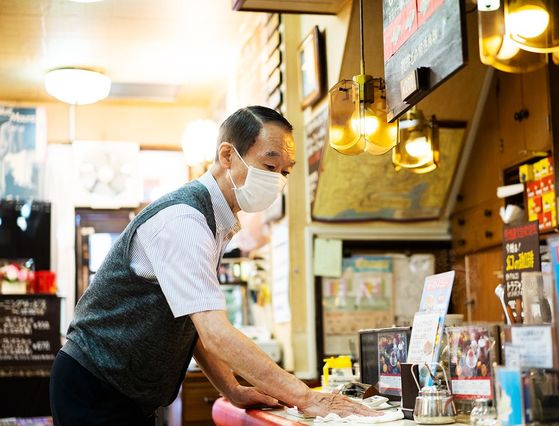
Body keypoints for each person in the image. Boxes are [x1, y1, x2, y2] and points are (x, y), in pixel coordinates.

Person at [49, 106, 379, 425]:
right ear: (227, 156)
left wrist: (232, 389)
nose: (277, 179)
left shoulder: (215, 222)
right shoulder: (184, 220)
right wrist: (306, 397)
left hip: (126, 392)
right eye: (269, 165)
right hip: (94, 384)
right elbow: (215, 333)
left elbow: (191, 326)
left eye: (285, 171)